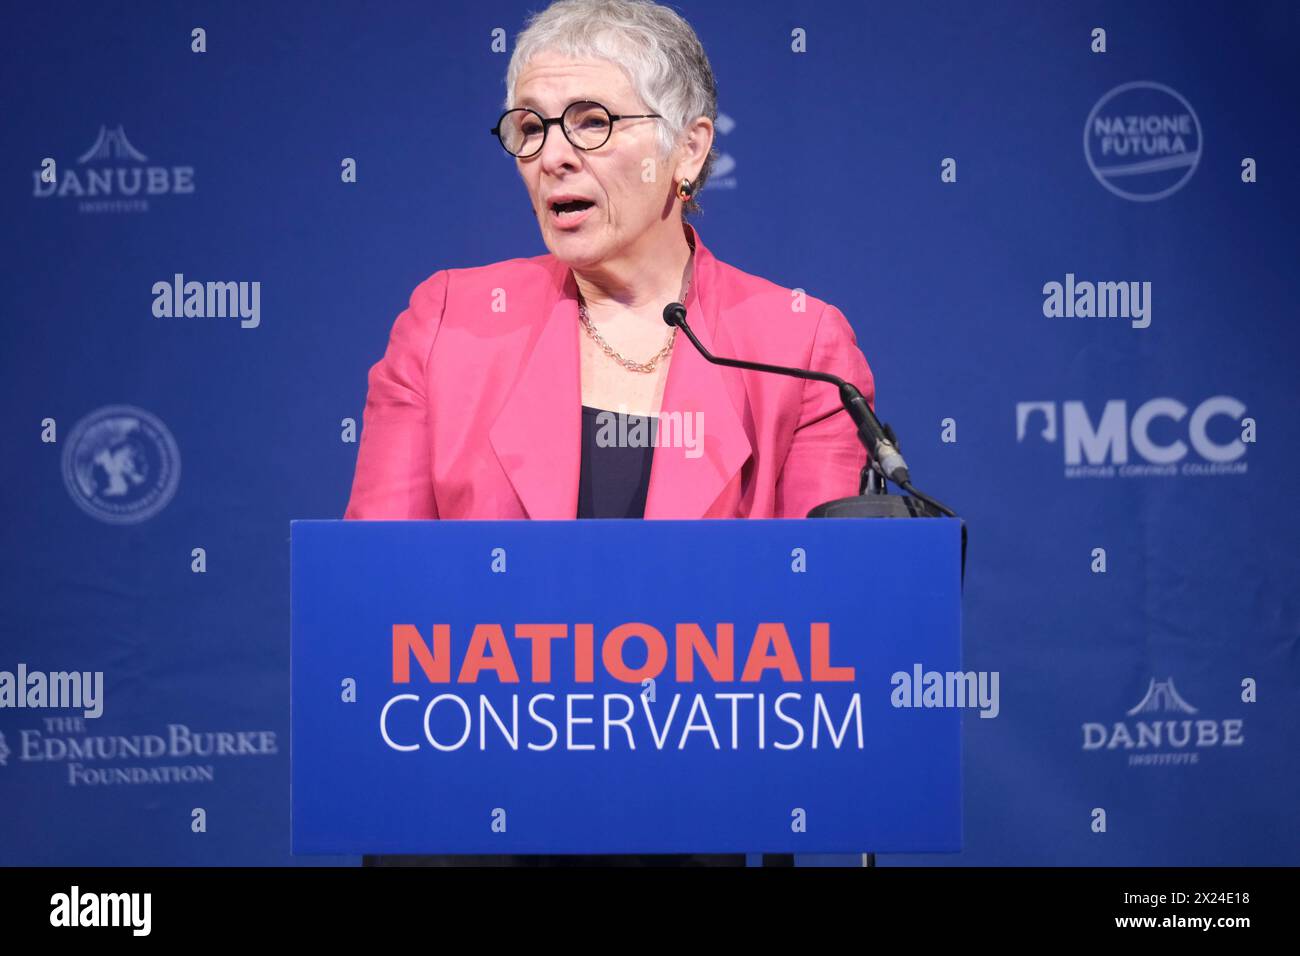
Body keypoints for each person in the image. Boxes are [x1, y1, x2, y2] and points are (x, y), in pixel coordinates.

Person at [347, 0, 874, 866]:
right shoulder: (447, 323)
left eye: (591, 122)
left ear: (689, 149)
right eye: (529, 128)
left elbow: (823, 632)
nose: (552, 154)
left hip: (706, 811)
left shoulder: (798, 345)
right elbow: (379, 595)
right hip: (470, 807)